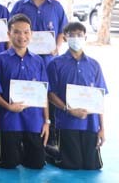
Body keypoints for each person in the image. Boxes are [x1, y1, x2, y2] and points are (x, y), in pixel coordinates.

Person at [46, 21, 107, 170]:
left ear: (85, 37)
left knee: (93, 165)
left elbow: (99, 98)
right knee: (71, 164)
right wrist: (68, 110)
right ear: (65, 38)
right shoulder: (55, 64)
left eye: (79, 35)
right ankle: (46, 151)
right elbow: (50, 94)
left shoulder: (94, 65)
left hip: (90, 124)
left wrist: (102, 128)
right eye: (71, 35)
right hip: (67, 122)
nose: (76, 38)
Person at [0, 13, 50, 169]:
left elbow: (43, 93)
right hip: (9, 120)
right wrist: (8, 106)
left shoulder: (38, 61)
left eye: (26, 32)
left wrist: (46, 121)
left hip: (34, 120)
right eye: (17, 32)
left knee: (37, 164)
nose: (22, 36)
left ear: (31, 34)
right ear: (9, 34)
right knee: (9, 163)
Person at [10, 0, 68, 65]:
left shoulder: (56, 7)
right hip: (24, 59)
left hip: (50, 59)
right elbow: (10, 30)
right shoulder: (19, 6)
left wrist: (57, 47)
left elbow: (62, 31)